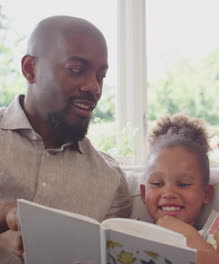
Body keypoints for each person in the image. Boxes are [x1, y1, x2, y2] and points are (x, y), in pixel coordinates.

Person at [0, 16, 132, 263]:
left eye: (101, 76)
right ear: (30, 69)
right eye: (77, 70)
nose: (94, 87)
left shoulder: (110, 180)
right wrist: (6, 213)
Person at [140, 114, 219, 263]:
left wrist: (189, 236)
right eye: (157, 184)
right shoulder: (132, 234)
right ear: (143, 193)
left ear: (206, 194)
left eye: (183, 184)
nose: (169, 193)